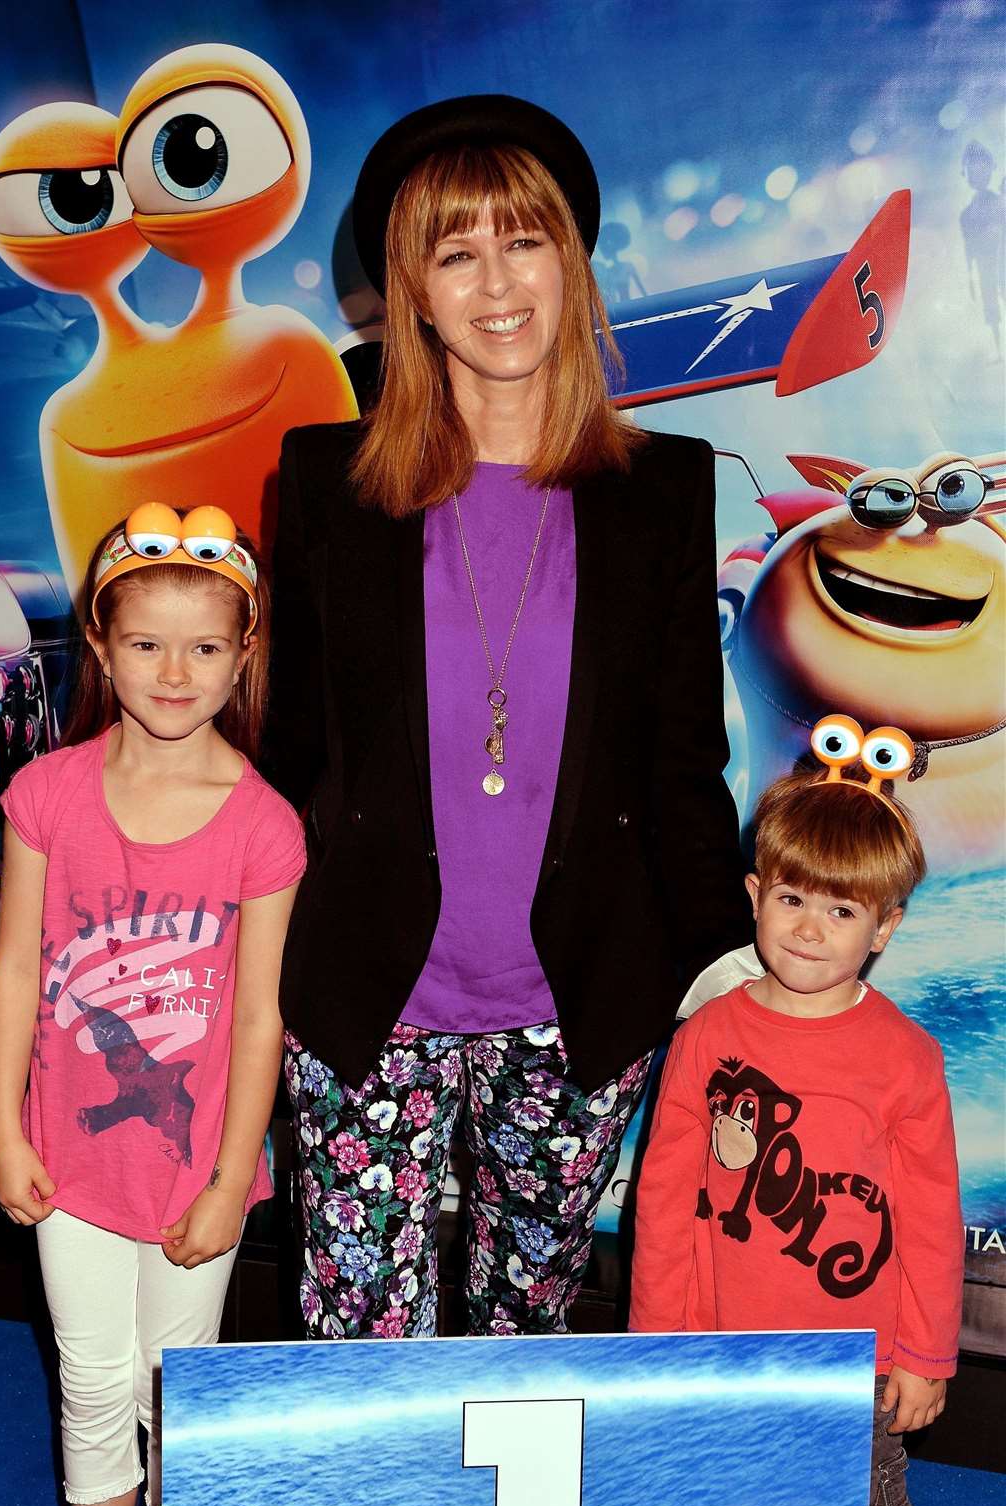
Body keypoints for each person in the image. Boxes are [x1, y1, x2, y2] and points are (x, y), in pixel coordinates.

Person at [263, 94, 750, 1341]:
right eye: (455, 249)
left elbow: (685, 762)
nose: (497, 282)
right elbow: (288, 763)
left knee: (520, 1335)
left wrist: (724, 969)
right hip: (368, 987)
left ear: (572, 263)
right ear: (410, 291)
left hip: (578, 990)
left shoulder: (662, 491)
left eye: (524, 240)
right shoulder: (328, 484)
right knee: (361, 1347)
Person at [0, 503, 305, 1506]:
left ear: (244, 652)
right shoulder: (45, 793)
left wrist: (228, 1179)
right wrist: (4, 1128)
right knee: (91, 1374)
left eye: (206, 645)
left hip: (191, 1168)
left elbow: (259, 1016)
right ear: (100, 648)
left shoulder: (263, 822)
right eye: (148, 644)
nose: (177, 672)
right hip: (67, 1159)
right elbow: (20, 968)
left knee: (176, 1387)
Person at [629, 719, 964, 1506]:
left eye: (842, 910)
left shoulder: (907, 1057)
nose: (810, 930)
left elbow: (930, 1221)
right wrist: (656, 1342)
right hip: (720, 1341)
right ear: (754, 893)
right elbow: (663, 1198)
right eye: (792, 899)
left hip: (858, 1360)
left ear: (885, 927)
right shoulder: (707, 1034)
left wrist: (926, 1356)